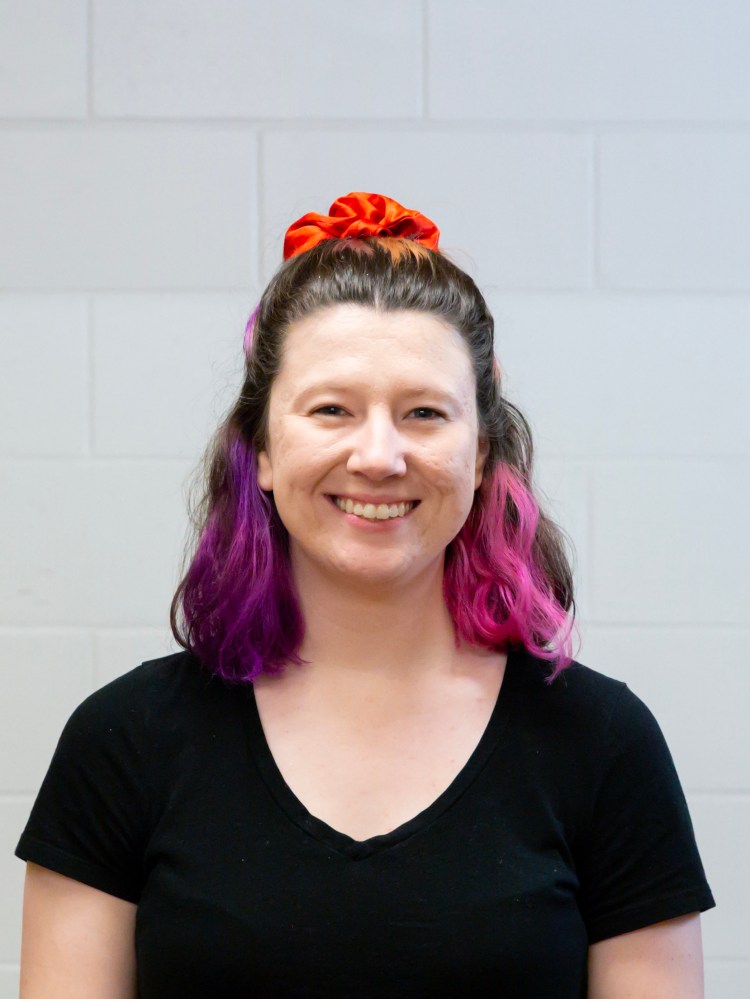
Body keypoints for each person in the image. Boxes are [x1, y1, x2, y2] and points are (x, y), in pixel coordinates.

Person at [15, 192, 715, 997]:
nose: (378, 455)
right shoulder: (122, 743)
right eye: (332, 409)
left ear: (480, 453)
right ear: (262, 449)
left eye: (423, 412)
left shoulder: (604, 744)